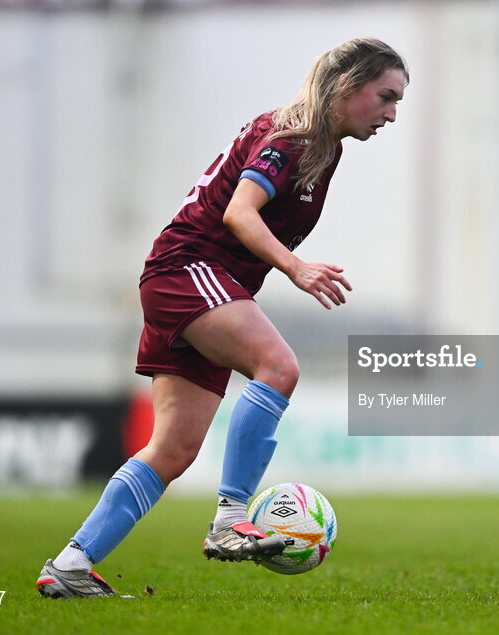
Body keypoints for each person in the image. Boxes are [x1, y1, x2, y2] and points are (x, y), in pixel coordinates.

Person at [36, 38, 408, 598]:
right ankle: (232, 517)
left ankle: (69, 565)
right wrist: (295, 267)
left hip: (190, 281)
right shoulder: (294, 137)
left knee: (173, 450)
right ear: (348, 84)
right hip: (187, 270)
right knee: (277, 366)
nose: (391, 114)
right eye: (385, 96)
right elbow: (239, 211)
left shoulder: (320, 145)